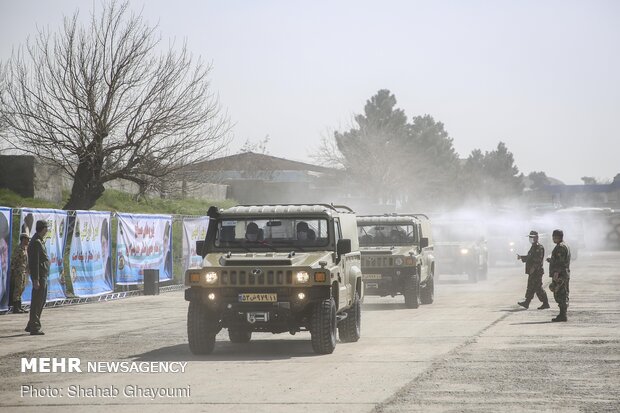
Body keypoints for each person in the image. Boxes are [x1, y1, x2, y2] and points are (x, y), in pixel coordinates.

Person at [25, 220, 50, 335]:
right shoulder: (36, 242)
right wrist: (36, 279)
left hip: (42, 275)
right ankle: (34, 326)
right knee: (37, 301)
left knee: (40, 300)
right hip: (39, 276)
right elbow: (34, 262)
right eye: (46, 228)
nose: (47, 230)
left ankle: (31, 324)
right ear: (42, 228)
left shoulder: (39, 241)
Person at [516, 231, 549, 310]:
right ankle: (527, 302)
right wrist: (522, 257)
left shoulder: (539, 247)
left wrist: (533, 268)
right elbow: (529, 257)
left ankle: (545, 303)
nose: (531, 239)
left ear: (536, 238)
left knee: (538, 288)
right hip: (532, 271)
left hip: (537, 272)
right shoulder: (533, 247)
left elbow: (538, 260)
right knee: (531, 287)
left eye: (532, 237)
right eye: (530, 237)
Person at [547, 229, 571, 322]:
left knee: (560, 293)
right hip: (563, 273)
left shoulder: (560, 247)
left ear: (558, 237)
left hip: (560, 274)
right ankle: (562, 314)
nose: (553, 238)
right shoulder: (564, 245)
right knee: (562, 293)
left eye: (554, 237)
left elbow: (560, 262)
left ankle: (563, 315)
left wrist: (556, 273)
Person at [10, 233, 30, 314]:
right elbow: (14, 260)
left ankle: (19, 307)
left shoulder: (25, 249)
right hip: (18, 271)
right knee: (17, 289)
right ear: (23, 239)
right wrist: (13, 270)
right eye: (27, 239)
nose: (28, 241)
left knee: (22, 288)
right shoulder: (19, 249)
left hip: (24, 271)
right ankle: (16, 308)